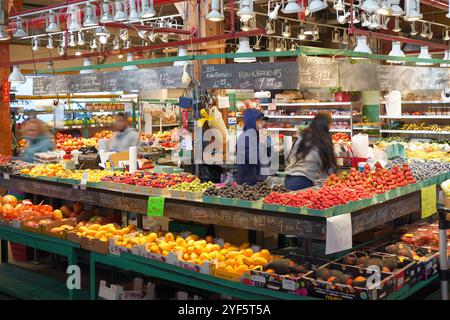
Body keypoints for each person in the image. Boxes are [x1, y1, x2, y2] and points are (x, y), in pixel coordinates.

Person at [284, 112, 337, 191]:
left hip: (289, 178)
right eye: (331, 125)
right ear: (327, 125)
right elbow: (328, 166)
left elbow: (291, 155)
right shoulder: (322, 140)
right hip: (303, 182)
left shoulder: (303, 135)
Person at [236, 109, 269, 186]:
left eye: (262, 121)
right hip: (248, 184)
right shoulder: (245, 138)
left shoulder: (257, 136)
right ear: (251, 122)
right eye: (259, 121)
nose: (262, 124)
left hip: (259, 181)